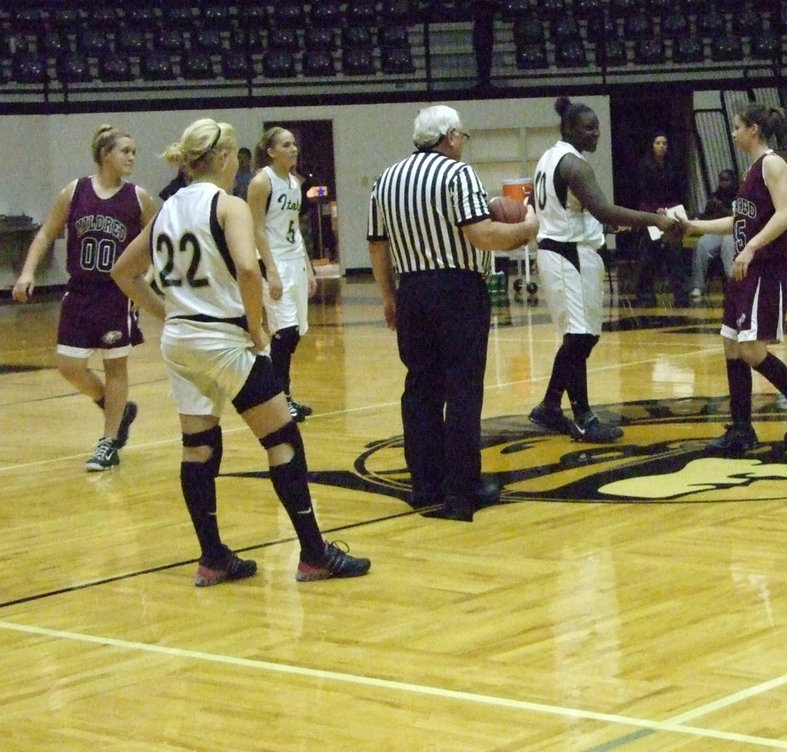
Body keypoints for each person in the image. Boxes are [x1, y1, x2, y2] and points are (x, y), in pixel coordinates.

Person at [110, 118, 370, 583]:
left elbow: (123, 273)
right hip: (223, 340)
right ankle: (313, 553)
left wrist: (167, 314)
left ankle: (212, 557)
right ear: (227, 158)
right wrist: (257, 329)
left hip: (181, 343)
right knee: (282, 439)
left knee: (199, 447)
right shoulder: (228, 205)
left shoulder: (166, 210)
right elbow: (249, 272)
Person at [368, 105, 538, 521]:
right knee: (462, 389)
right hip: (457, 290)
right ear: (448, 136)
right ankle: (463, 488)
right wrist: (528, 228)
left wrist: (389, 297)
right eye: (461, 135)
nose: (463, 142)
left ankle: (424, 484)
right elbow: (482, 235)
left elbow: (377, 244)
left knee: (420, 388)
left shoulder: (386, 179)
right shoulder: (457, 173)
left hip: (411, 291)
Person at [527, 97, 679, 442]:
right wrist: (657, 219)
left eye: (597, 126)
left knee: (581, 336)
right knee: (580, 337)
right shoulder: (575, 166)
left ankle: (550, 406)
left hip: (566, 251)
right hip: (568, 255)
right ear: (569, 129)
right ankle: (582, 416)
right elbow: (604, 211)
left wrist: (606, 227)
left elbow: (575, 213)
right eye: (589, 127)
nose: (596, 133)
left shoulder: (548, 158)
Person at [681, 104, 787, 457]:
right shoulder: (750, 171)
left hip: (765, 268)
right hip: (746, 270)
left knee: (750, 349)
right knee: (731, 344)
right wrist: (694, 226)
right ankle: (742, 428)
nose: (733, 133)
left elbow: (786, 215)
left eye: (737, 127)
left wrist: (750, 250)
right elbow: (738, 221)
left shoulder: (773, 164)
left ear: (754, 130)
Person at [11, 125, 156, 471]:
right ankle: (113, 405)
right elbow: (47, 232)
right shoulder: (75, 191)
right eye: (126, 151)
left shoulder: (139, 198)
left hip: (116, 293)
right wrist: (28, 272)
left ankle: (108, 443)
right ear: (106, 155)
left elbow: (157, 242)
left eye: (134, 152)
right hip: (79, 291)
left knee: (115, 365)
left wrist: (144, 280)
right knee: (69, 366)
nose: (132, 157)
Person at [247, 127, 318, 423]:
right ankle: (279, 399)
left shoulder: (292, 181)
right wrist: (271, 271)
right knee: (284, 332)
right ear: (271, 150)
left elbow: (294, 229)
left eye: (294, 145)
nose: (294, 149)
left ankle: (282, 396)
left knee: (295, 332)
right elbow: (256, 227)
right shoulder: (262, 181)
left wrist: (309, 268)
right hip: (272, 263)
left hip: (294, 262)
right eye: (286, 145)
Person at [631, 131, 689, 308]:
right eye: (658, 143)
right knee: (649, 254)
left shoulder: (673, 166)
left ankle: (680, 293)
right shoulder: (644, 166)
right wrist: (657, 210)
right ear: (652, 145)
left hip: (670, 210)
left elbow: (679, 190)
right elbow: (642, 191)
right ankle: (645, 293)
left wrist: (668, 209)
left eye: (664, 143)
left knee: (675, 253)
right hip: (651, 211)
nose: (662, 146)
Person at [689, 168, 738, 301]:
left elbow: (738, 218)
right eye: (720, 180)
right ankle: (698, 286)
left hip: (732, 232)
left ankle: (732, 283)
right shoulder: (714, 196)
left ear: (733, 181)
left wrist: (723, 209)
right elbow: (707, 217)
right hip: (716, 232)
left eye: (726, 180)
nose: (722, 183)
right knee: (702, 243)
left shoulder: (739, 195)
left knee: (727, 246)